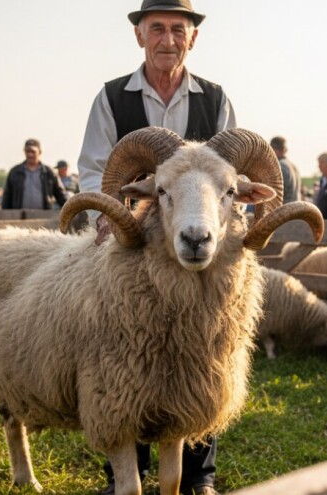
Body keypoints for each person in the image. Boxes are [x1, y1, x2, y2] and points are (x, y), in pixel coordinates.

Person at [76, 1, 235, 493]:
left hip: (197, 240)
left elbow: (231, 172)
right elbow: (94, 166)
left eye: (178, 29)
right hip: (133, 243)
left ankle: (199, 474)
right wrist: (109, 217)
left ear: (193, 37)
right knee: (125, 351)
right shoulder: (112, 97)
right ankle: (125, 471)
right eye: (158, 28)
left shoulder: (215, 99)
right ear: (140, 35)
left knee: (205, 349)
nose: (168, 39)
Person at [1, 138, 67, 210]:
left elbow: (61, 196)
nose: (30, 154)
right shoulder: (15, 172)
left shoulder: (48, 173)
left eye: (33, 151)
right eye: (27, 151)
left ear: (39, 152)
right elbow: (7, 197)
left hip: (44, 215)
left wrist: (70, 210)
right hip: (19, 215)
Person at [269, 136, 301, 203]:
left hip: (284, 207)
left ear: (273, 149)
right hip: (295, 206)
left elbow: (276, 192)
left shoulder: (279, 166)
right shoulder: (293, 166)